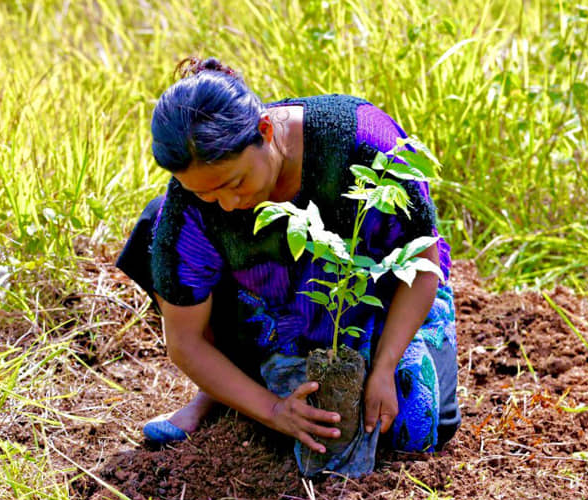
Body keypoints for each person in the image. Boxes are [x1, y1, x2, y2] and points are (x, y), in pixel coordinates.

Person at [116, 57, 459, 477]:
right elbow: (184, 341)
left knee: (417, 425)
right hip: (271, 312)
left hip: (374, 301)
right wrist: (275, 410)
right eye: (207, 194)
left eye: (235, 183)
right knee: (162, 230)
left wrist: (385, 366)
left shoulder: (364, 146)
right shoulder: (191, 205)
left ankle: (248, 384)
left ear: (264, 131)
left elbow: (421, 263)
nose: (227, 203)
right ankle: (225, 389)